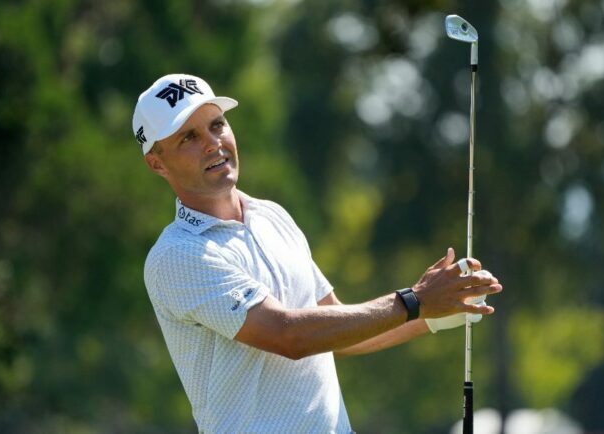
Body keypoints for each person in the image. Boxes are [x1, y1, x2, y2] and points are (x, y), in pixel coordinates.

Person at [133, 73, 503, 433]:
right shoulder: (177, 255)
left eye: (217, 124)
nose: (213, 143)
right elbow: (288, 335)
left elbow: (336, 328)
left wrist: (436, 313)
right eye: (189, 138)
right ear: (156, 162)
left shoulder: (272, 216)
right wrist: (416, 300)